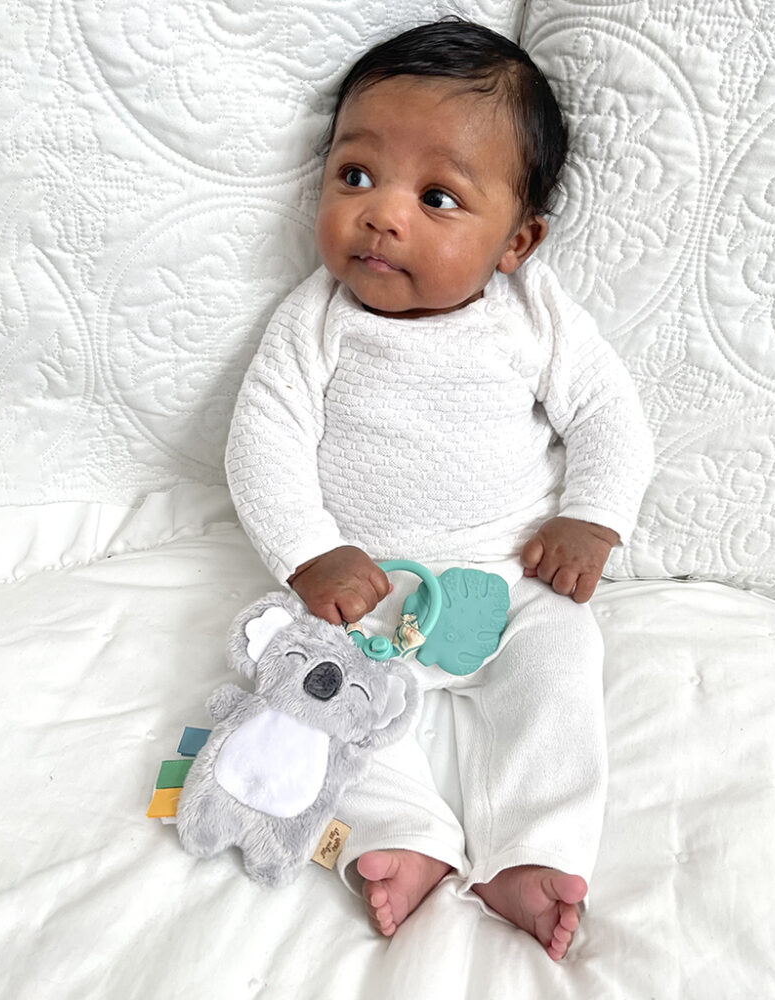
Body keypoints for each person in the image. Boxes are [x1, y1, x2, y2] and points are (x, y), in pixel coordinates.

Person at [225, 18, 654, 961]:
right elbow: (264, 442)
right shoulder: (315, 321)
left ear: (517, 240)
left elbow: (610, 419)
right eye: (356, 176)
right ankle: (400, 838)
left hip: (511, 580)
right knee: (308, 681)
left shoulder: (537, 316)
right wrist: (310, 553)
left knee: (561, 670)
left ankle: (533, 851)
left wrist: (591, 519)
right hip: (365, 588)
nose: (382, 213)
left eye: (438, 195)